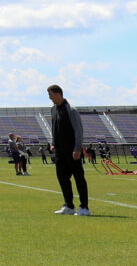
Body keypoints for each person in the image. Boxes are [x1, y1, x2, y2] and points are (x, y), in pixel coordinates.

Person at [47, 84, 90, 216]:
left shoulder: (71, 110)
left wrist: (77, 148)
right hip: (59, 151)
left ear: (58, 94)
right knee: (62, 178)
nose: (49, 98)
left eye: (51, 95)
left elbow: (78, 130)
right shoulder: (53, 110)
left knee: (79, 178)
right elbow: (54, 128)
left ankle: (84, 207)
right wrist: (53, 143)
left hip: (72, 151)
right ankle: (69, 206)